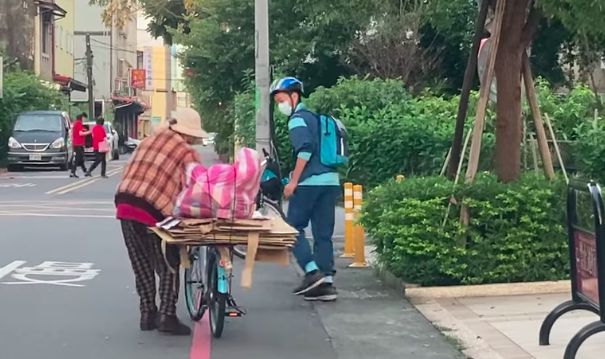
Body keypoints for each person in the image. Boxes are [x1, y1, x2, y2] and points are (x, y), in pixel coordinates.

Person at [115, 108, 205, 335]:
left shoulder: (148, 141)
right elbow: (197, 191)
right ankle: (167, 315)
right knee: (168, 263)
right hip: (153, 210)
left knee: (141, 263)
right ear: (188, 133)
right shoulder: (186, 153)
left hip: (125, 203)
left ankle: (147, 313)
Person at [270, 76, 339, 302]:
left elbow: (305, 150)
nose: (281, 105)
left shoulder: (297, 119)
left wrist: (293, 181)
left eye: (281, 100)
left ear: (294, 96)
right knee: (323, 233)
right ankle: (326, 283)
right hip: (330, 181)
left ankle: (311, 271)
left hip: (309, 183)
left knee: (292, 230)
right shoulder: (317, 119)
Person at [70, 112, 91, 178]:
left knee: (81, 159)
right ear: (81, 118)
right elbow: (80, 133)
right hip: (78, 144)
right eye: (84, 118)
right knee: (77, 158)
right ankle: (72, 172)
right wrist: (89, 132)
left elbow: (78, 131)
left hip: (77, 143)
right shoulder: (78, 123)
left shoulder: (76, 123)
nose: (84, 120)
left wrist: (84, 129)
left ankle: (85, 171)